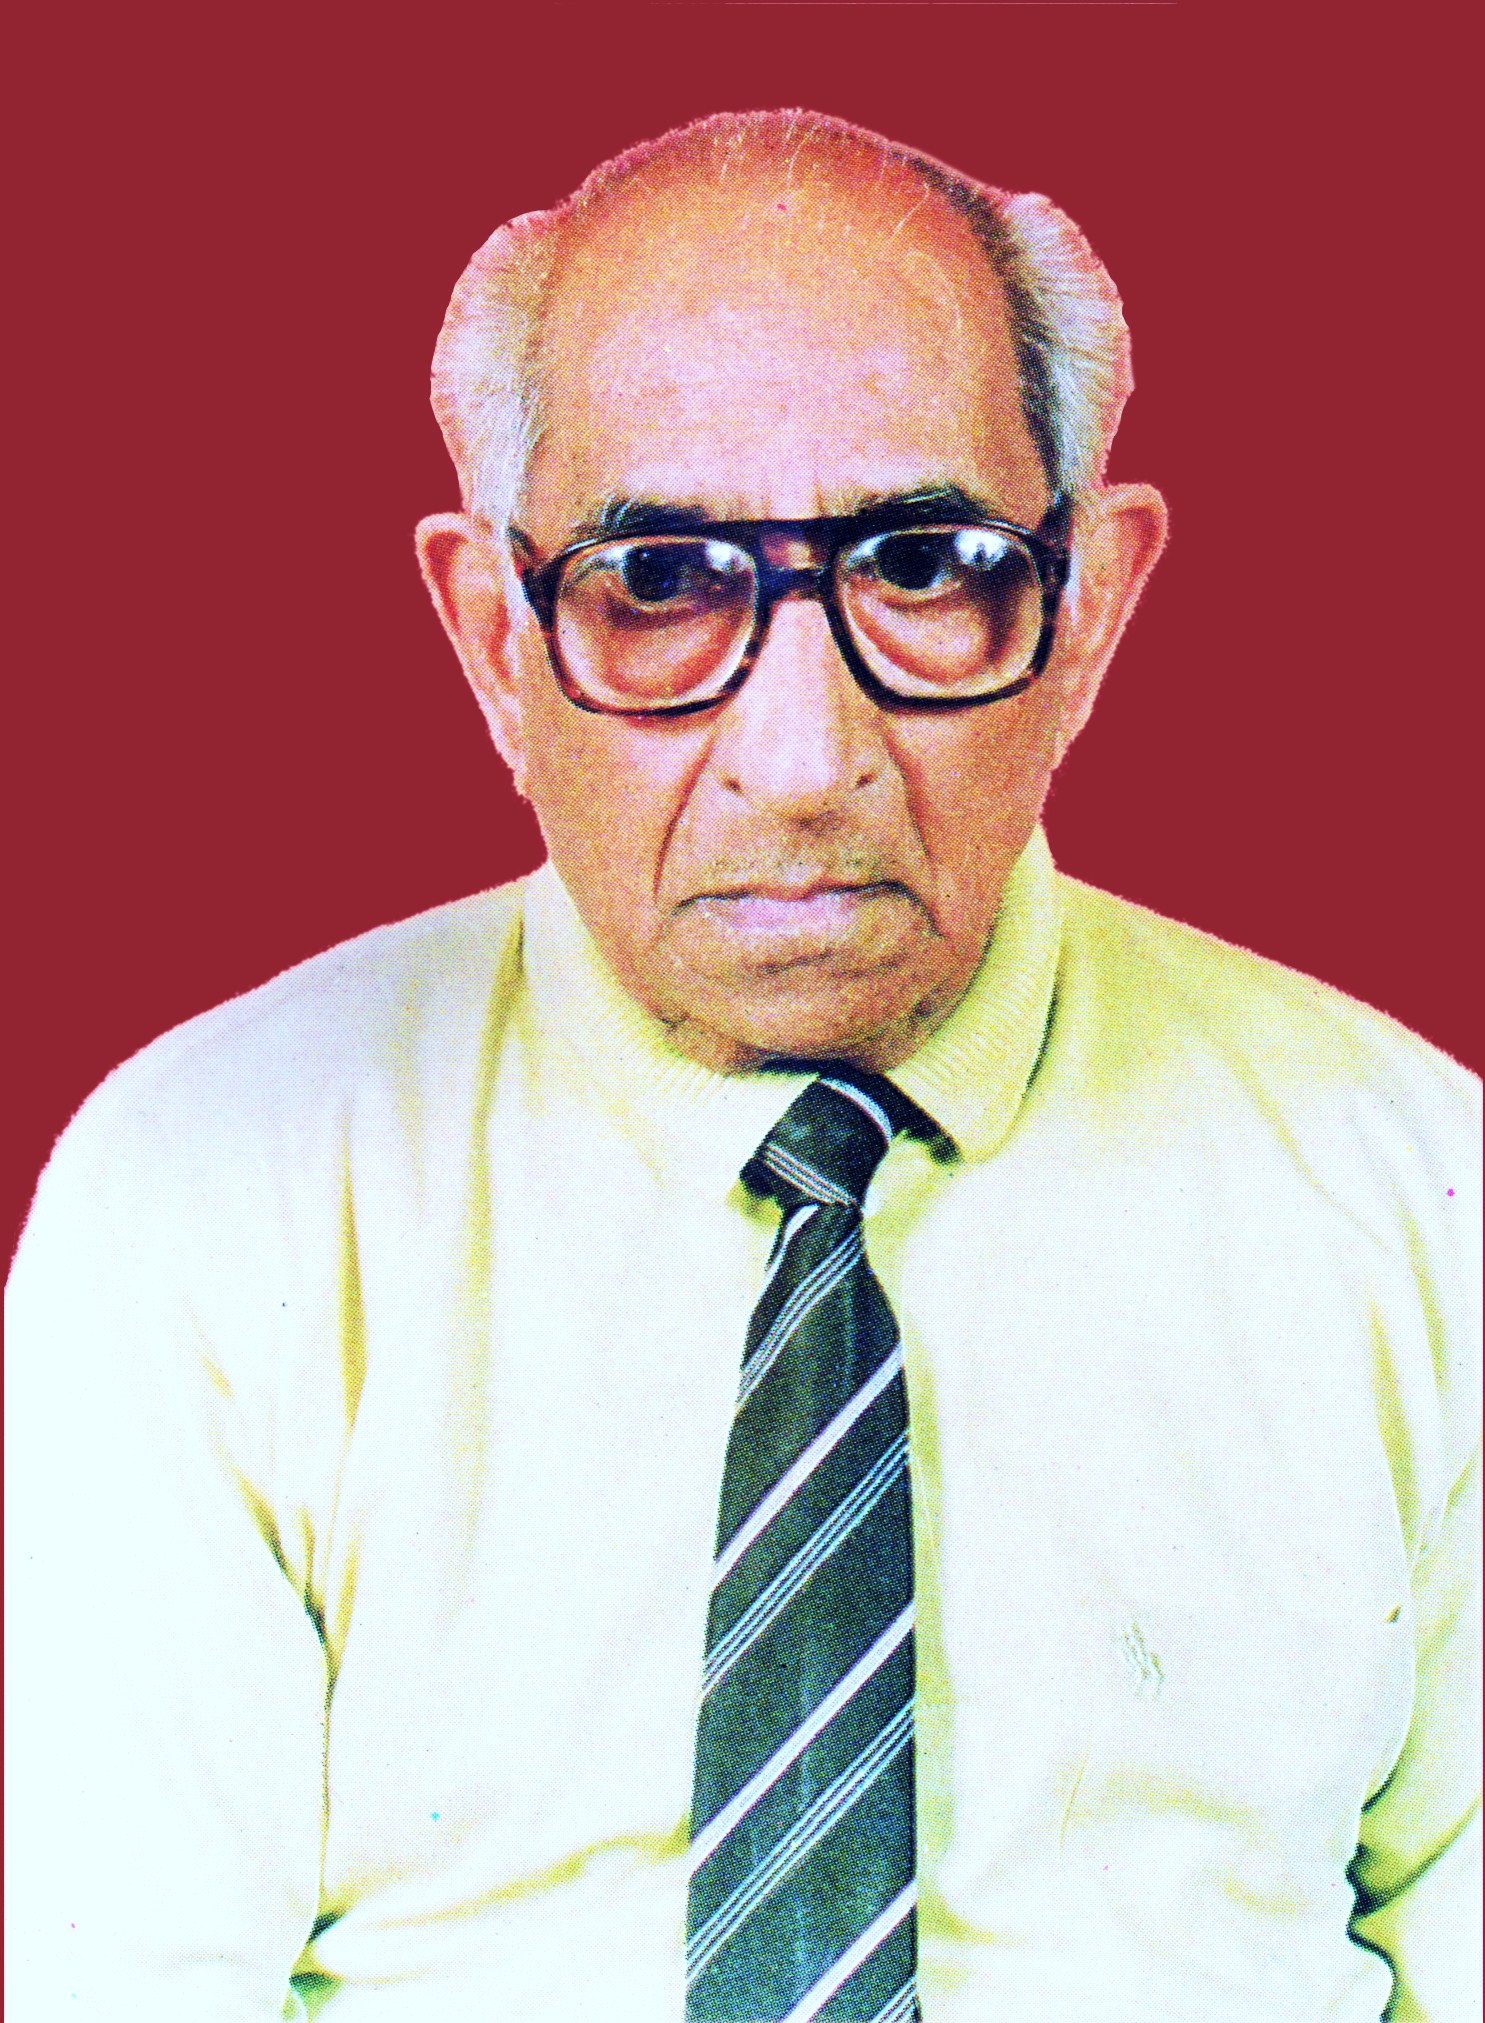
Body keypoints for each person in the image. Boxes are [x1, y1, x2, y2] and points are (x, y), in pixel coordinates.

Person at [7, 109, 1477, 2023]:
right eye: (658, 582)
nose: (800, 760)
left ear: (1089, 608)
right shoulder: (210, 1194)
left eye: (926, 566)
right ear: (491, 638)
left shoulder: (1415, 1188)